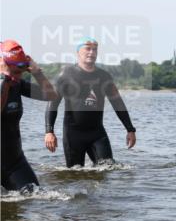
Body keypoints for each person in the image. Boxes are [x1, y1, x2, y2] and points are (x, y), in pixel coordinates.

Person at [45, 38, 136, 167]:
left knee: (108, 168)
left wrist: (130, 129)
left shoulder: (104, 76)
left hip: (97, 133)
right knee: (74, 174)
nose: (91, 52)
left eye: (94, 49)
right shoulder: (65, 75)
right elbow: (52, 105)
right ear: (78, 52)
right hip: (73, 135)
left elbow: (118, 103)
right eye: (88, 48)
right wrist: (49, 131)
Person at [2, 41, 58, 192]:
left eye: (21, 72)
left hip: (15, 162)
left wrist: (37, 72)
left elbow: (51, 95)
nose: (18, 77)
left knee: (37, 196)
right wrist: (4, 81)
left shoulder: (17, 83)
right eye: (15, 72)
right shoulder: (6, 82)